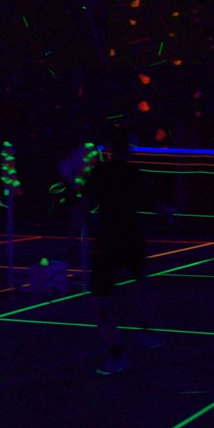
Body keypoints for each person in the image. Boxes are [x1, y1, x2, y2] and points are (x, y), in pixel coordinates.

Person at [82, 126, 162, 375]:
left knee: (99, 299)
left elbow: (85, 205)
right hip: (131, 236)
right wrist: (169, 211)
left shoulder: (101, 172)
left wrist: (74, 237)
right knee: (142, 283)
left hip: (108, 238)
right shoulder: (134, 173)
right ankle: (146, 328)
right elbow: (154, 204)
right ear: (128, 148)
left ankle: (117, 352)